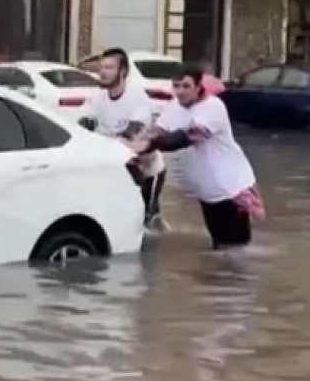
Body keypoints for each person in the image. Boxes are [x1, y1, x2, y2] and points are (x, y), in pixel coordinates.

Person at [128, 64, 264, 250]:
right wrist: (136, 144)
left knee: (235, 251)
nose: (180, 92)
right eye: (176, 86)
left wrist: (151, 144)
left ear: (199, 86)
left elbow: (189, 137)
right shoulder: (175, 105)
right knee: (219, 248)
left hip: (231, 189)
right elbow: (158, 129)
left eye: (186, 86)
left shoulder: (213, 107)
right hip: (207, 191)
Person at [79, 48, 168, 231]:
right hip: (115, 167)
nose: (103, 72)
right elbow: (84, 125)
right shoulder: (97, 97)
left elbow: (133, 134)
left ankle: (155, 227)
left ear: (123, 72)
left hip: (145, 171)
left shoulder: (137, 97)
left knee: (143, 224)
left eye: (110, 67)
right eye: (102, 67)